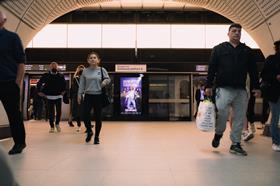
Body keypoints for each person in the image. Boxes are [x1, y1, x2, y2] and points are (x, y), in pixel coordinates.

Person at [205, 23, 261, 156]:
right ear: (228, 33)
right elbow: (212, 68)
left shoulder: (247, 51)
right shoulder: (219, 49)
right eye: (234, 31)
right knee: (222, 114)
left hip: (241, 90)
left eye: (239, 31)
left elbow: (253, 71)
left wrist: (256, 87)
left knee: (239, 117)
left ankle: (235, 143)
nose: (237, 33)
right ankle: (219, 133)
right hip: (223, 89)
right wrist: (208, 85)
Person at [0, 11, 26, 155]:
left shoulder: (12, 37)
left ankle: (20, 142)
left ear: (4, 20)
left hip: (8, 83)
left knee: (13, 115)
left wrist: (18, 83)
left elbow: (21, 62)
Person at [78, 51, 111, 144]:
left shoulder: (102, 70)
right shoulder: (85, 71)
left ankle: (97, 137)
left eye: (94, 58)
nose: (93, 59)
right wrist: (79, 94)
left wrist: (105, 82)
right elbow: (82, 84)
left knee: (98, 117)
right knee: (85, 115)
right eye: (91, 58)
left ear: (98, 60)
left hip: (99, 96)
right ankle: (89, 131)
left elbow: (108, 79)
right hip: (88, 95)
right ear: (88, 60)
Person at [260, 40, 280, 151]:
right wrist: (276, 77)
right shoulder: (271, 59)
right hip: (274, 93)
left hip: (274, 93)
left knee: (275, 118)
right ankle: (276, 142)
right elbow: (264, 75)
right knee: (275, 117)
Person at [37, 62, 66, 133]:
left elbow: (64, 85)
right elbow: (39, 83)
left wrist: (64, 91)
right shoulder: (46, 75)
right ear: (50, 67)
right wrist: (39, 92)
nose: (54, 67)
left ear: (57, 67)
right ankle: (52, 126)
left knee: (59, 111)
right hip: (49, 96)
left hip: (58, 96)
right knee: (50, 112)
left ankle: (57, 123)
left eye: (55, 66)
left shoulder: (61, 76)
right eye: (52, 66)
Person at [69, 65, 85, 132]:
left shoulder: (86, 78)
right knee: (78, 111)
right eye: (80, 70)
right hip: (78, 96)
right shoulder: (75, 78)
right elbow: (73, 89)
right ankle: (79, 125)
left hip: (82, 96)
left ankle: (87, 125)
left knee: (84, 111)